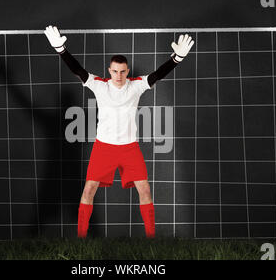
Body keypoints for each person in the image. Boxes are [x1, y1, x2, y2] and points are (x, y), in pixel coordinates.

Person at [44, 25, 194, 238]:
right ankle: (80, 239)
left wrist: (176, 59)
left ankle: (152, 240)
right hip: (103, 148)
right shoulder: (99, 85)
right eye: (115, 71)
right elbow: (78, 70)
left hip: (129, 149)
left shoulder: (136, 85)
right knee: (88, 191)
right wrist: (61, 49)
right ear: (109, 71)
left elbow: (158, 75)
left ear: (127, 71)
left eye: (123, 71)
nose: (119, 75)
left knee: (145, 191)